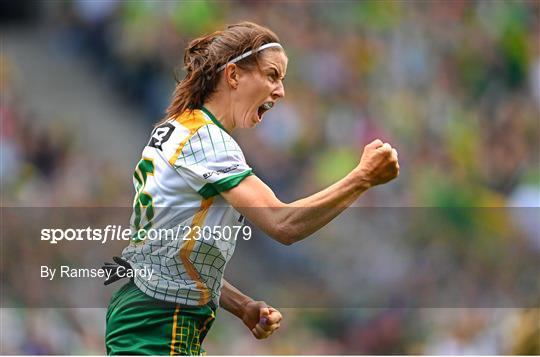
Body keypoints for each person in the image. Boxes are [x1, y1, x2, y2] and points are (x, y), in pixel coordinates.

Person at [104, 21, 399, 355]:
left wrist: (242, 305)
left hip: (149, 313)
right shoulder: (207, 140)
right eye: (272, 75)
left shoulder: (181, 129)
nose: (280, 91)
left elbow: (171, 254)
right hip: (158, 322)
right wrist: (361, 178)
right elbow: (282, 223)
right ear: (233, 75)